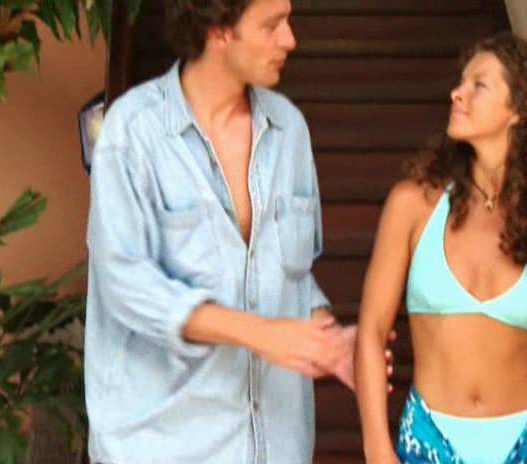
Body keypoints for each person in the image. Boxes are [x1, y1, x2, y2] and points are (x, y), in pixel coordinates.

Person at [84, 1, 363, 462]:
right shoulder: (133, 131)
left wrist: (330, 340)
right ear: (218, 30)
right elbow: (126, 285)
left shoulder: (288, 128)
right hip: (162, 447)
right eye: (272, 25)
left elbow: (291, 277)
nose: (290, 39)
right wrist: (262, 333)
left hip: (275, 447)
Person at [355, 32, 527, 463]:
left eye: (479, 85)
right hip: (429, 441)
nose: (457, 93)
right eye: (460, 82)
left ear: (521, 110)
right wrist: (377, 448)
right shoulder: (413, 203)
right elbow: (371, 332)